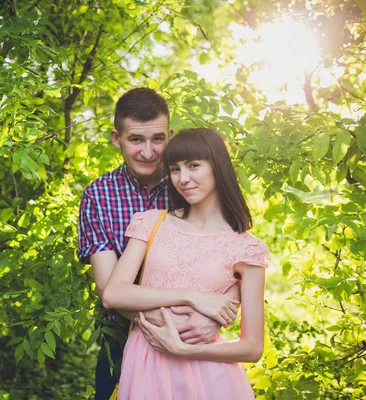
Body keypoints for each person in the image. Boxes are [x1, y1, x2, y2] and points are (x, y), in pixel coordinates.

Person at [78, 89, 240, 400]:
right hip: (123, 339)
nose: (149, 152)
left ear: (171, 135)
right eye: (136, 140)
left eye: (158, 139)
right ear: (116, 138)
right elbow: (106, 286)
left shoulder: (191, 183)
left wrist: (214, 316)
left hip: (199, 335)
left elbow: (237, 258)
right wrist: (160, 325)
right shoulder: (98, 196)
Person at [102, 127, 269, 399]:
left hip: (210, 376)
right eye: (175, 169)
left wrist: (184, 350)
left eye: (194, 166)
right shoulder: (151, 222)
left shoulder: (247, 249)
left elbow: (252, 348)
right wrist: (194, 298)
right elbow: (113, 294)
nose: (183, 178)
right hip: (146, 367)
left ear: (218, 167)